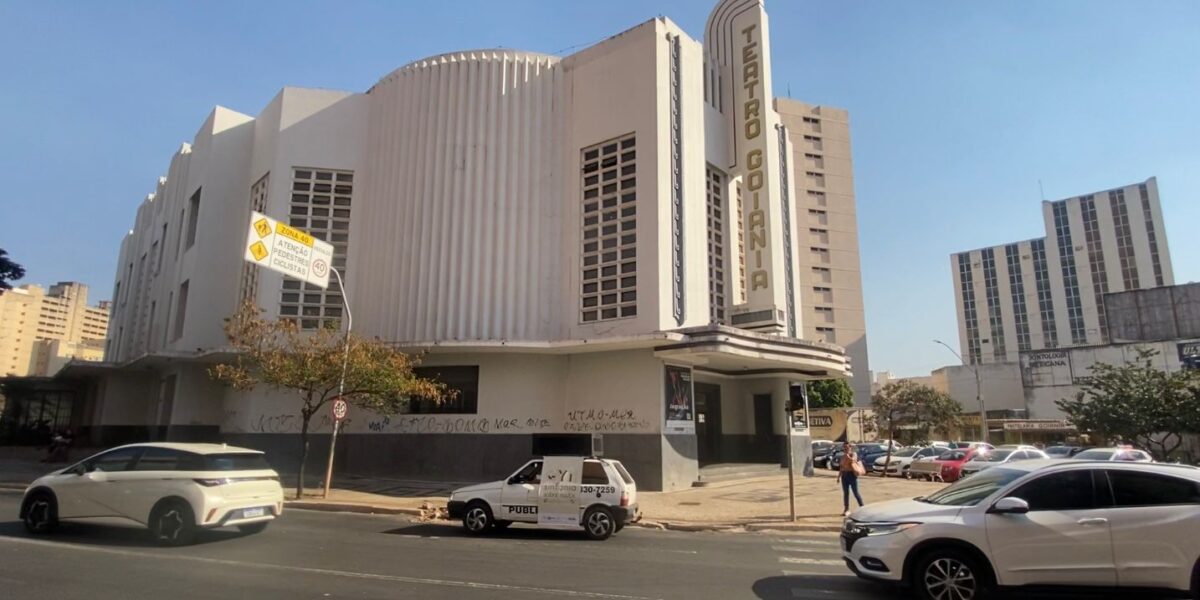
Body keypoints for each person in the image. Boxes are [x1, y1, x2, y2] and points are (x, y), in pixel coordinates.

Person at [835, 442, 865, 516]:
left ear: (850, 447)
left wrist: (847, 455)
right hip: (844, 476)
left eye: (847, 447)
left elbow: (853, 460)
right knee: (846, 493)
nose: (845, 449)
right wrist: (839, 476)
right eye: (844, 447)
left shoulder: (853, 454)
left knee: (856, 493)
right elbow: (841, 467)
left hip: (851, 475)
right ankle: (846, 509)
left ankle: (863, 508)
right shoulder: (842, 457)